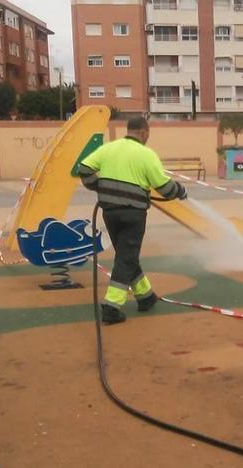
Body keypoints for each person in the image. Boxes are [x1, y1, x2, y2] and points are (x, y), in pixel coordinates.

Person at [77, 117, 187, 324]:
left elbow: (83, 169)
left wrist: (98, 186)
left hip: (109, 212)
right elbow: (164, 187)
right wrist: (179, 191)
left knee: (126, 254)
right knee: (126, 257)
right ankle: (112, 306)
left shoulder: (108, 149)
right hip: (133, 215)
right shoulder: (147, 155)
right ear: (144, 132)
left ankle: (145, 296)